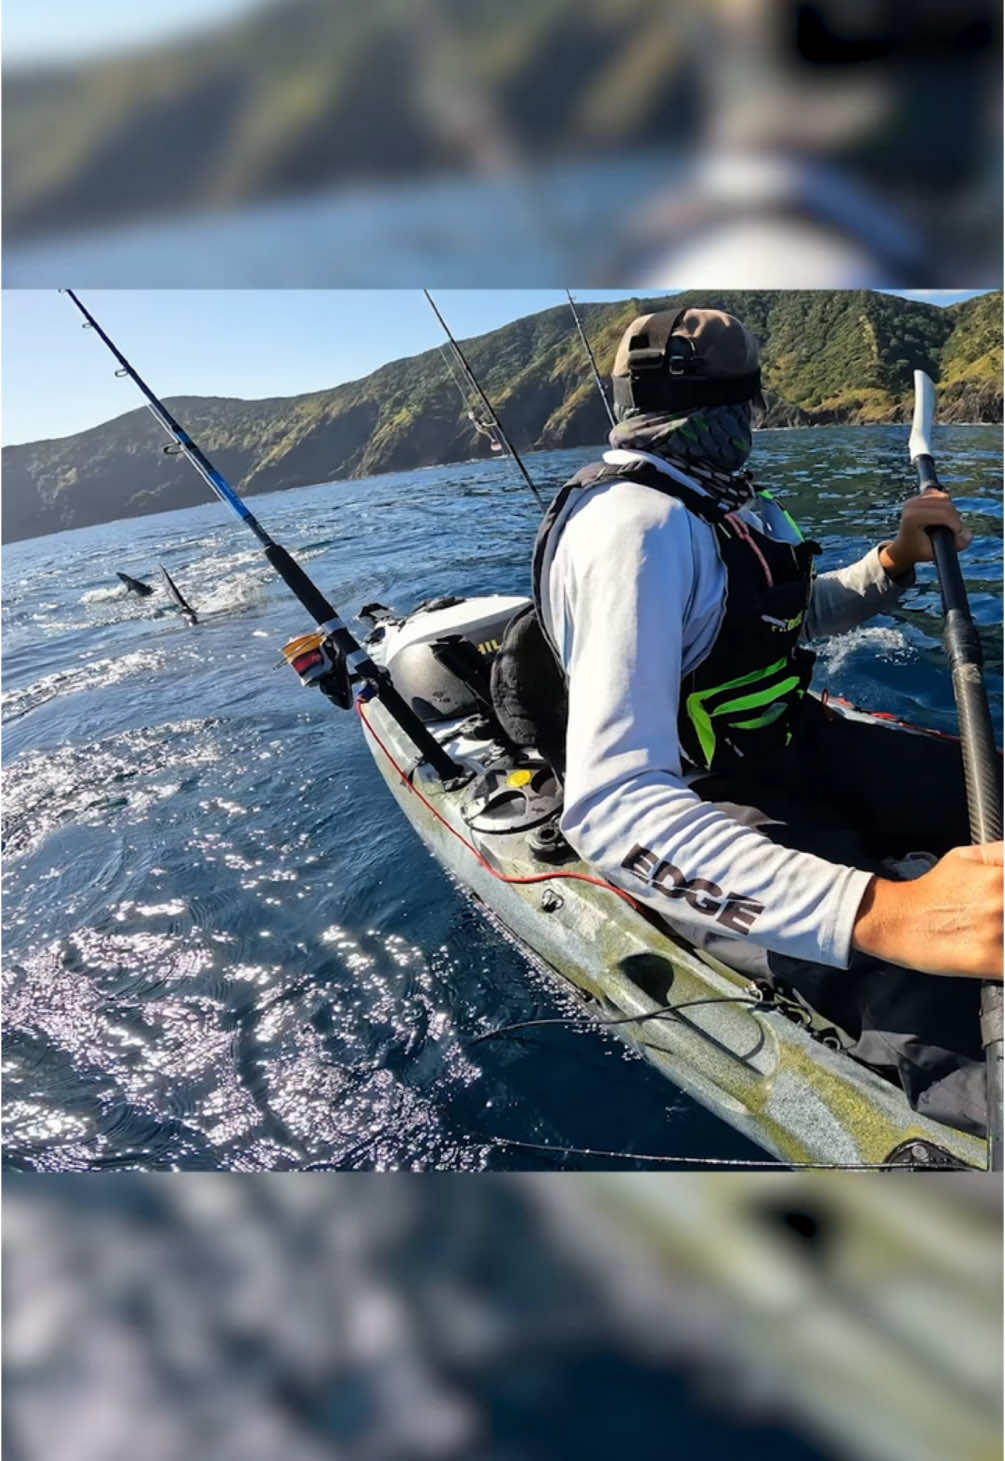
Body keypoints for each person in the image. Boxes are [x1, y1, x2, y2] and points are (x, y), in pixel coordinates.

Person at [493, 305, 1002, 1136]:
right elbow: (613, 805)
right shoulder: (636, 527)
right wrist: (890, 912)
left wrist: (891, 562)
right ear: (740, 408)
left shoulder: (721, 500)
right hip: (712, 793)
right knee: (913, 984)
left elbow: (781, 618)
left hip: (799, 741)